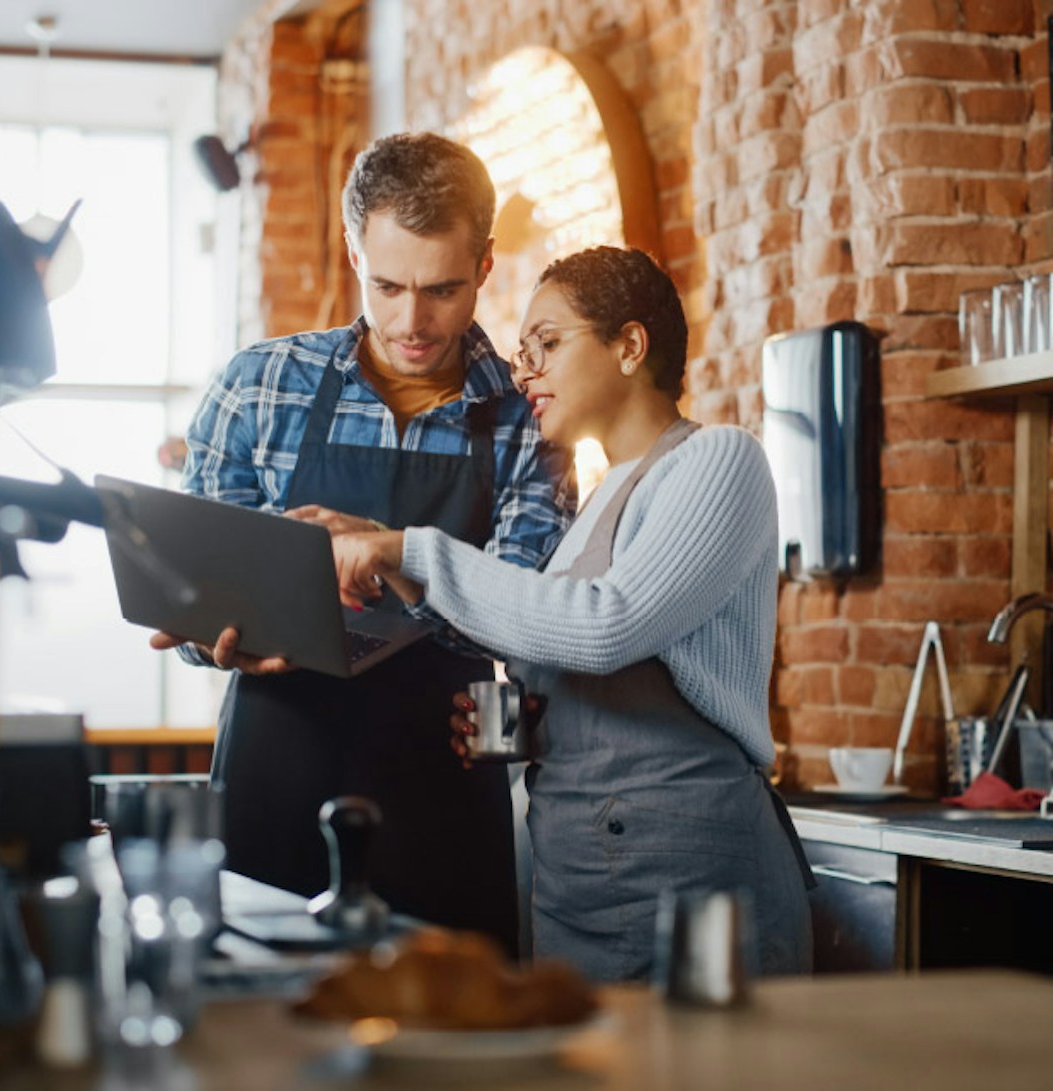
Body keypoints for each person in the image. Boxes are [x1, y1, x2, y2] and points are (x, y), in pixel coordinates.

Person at [330, 246, 815, 983]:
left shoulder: (721, 461)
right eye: (523, 352)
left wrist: (412, 551)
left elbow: (606, 625)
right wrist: (522, 727)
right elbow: (594, 667)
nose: (525, 371)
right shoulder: (595, 505)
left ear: (629, 345)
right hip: (581, 884)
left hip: (690, 883)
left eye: (546, 345)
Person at [151, 132, 575, 955]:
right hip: (275, 766)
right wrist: (210, 636)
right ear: (353, 251)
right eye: (387, 285)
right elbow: (198, 592)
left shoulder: (533, 417)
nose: (412, 320)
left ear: (485, 265)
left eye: (443, 289)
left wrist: (392, 553)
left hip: (441, 782)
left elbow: (530, 613)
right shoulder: (258, 385)